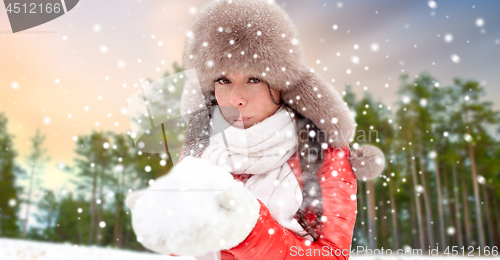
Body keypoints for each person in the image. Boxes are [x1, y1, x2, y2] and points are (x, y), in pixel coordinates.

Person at [125, 0, 385, 259]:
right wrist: (165, 222)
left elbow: (332, 255)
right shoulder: (201, 150)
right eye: (223, 80)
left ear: (283, 84)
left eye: (254, 78)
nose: (236, 98)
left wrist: (246, 229)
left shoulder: (323, 156)